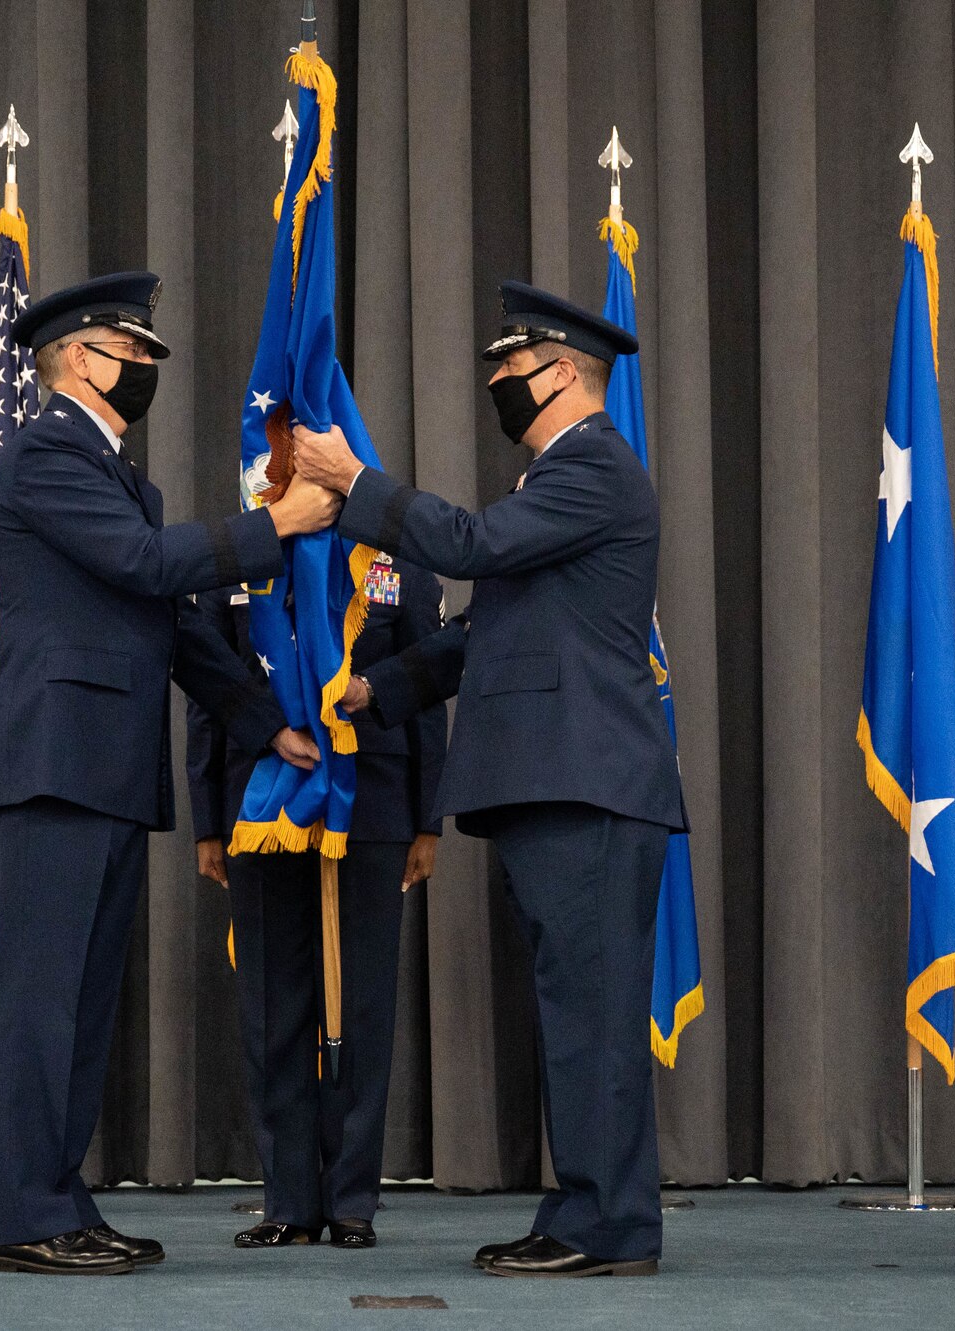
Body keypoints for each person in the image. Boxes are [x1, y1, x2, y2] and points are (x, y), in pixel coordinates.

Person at [289, 281, 686, 1279]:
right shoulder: (553, 478)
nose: (497, 385)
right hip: (555, 780)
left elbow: (467, 548)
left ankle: (610, 1227)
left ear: (558, 373)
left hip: (585, 782)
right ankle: (580, 1209)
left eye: (508, 368)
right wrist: (377, 690)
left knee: (590, 1011)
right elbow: (487, 629)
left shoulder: (590, 467)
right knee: (571, 1007)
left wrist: (357, 480)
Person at [0, 271, 339, 1275]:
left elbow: (171, 628)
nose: (145, 370)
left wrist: (267, 725)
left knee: (82, 1003)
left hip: (102, 768)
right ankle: (24, 1215)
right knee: (40, 998)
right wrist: (279, 524)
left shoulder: (124, 478)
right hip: (49, 761)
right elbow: (141, 565)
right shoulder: (47, 452)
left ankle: (57, 1198)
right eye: (132, 353)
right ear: (78, 357)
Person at [185, 554, 447, 1250]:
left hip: (373, 803)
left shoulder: (394, 564)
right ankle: (289, 1199)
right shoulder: (236, 563)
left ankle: (354, 1197)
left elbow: (423, 681)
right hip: (262, 802)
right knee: (274, 1002)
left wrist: (428, 818)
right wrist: (208, 820)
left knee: (363, 1001)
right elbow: (213, 690)